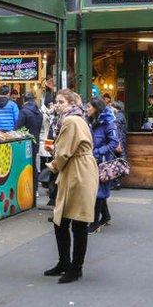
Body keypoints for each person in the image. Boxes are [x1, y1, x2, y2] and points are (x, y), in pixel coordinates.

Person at [44, 89, 98, 284]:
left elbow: (64, 152)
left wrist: (52, 167)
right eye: (56, 102)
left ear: (71, 103)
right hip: (78, 170)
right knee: (65, 221)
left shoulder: (70, 121)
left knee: (75, 222)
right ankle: (67, 264)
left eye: (61, 102)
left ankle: (74, 268)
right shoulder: (77, 118)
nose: (57, 105)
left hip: (77, 172)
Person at [86, 97, 120, 233]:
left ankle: (94, 223)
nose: (87, 109)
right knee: (98, 189)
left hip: (103, 161)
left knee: (98, 192)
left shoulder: (108, 122)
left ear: (96, 108)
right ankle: (105, 216)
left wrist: (98, 152)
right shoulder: (89, 121)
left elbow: (114, 142)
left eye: (89, 107)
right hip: (92, 159)